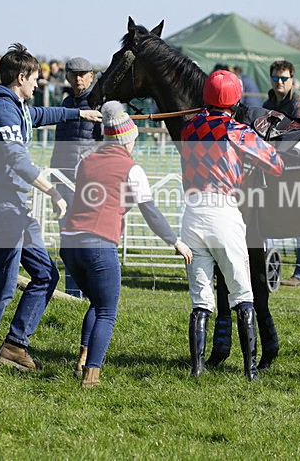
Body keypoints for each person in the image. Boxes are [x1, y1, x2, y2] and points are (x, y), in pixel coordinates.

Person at [0, 43, 102, 370]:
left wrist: (80, 113)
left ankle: (14, 345)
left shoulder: (19, 108)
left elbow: (43, 114)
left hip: (16, 207)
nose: (38, 85)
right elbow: (18, 160)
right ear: (20, 78)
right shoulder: (3, 110)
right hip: (4, 208)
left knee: (44, 274)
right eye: (34, 79)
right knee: (5, 284)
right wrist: (53, 193)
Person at [60, 101, 193, 387]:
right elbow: (151, 213)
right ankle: (91, 375)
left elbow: (103, 199)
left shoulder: (87, 161)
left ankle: (82, 357)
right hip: (98, 244)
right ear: (127, 140)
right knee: (108, 311)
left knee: (97, 301)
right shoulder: (132, 169)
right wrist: (175, 241)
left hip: (69, 243)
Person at [181, 69, 284, 381]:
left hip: (192, 215)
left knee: (201, 300)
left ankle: (197, 369)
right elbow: (275, 165)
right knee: (242, 294)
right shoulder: (238, 130)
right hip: (224, 213)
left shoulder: (188, 128)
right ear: (235, 99)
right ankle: (250, 370)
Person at [50, 57, 104, 298]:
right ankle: (73, 295)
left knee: (87, 242)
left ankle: (92, 295)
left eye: (83, 74)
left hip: (88, 183)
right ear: (67, 77)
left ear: (92, 76)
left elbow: (107, 146)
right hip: (64, 181)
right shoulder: (66, 104)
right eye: (74, 74)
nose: (78, 78)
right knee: (69, 241)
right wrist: (54, 183)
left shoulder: (101, 105)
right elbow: (59, 145)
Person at [263, 59, 300, 286]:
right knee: (266, 219)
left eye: (284, 78)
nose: (279, 82)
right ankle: (269, 269)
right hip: (273, 168)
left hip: (297, 168)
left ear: (292, 79)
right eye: (275, 78)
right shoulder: (269, 101)